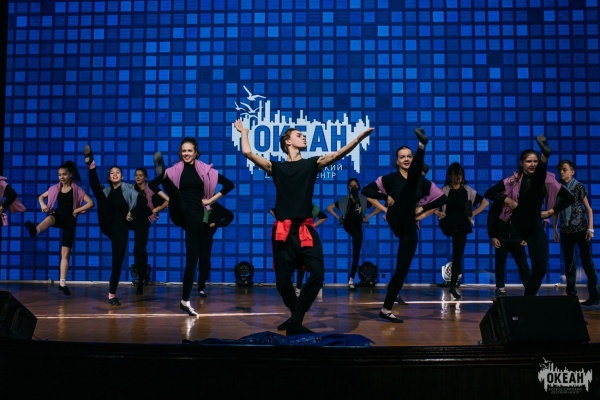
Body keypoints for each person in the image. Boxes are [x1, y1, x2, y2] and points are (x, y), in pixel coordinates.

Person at [235, 119, 374, 335]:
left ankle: (296, 319)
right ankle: (296, 319)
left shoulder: (311, 164)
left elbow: (336, 155)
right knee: (282, 283)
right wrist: (244, 132)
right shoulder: (277, 167)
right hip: (283, 232)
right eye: (299, 135)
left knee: (317, 274)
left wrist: (358, 139)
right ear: (288, 141)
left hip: (305, 229)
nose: (304, 137)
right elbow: (247, 152)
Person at [361, 128, 447, 323]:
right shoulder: (390, 178)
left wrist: (423, 208)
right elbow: (366, 190)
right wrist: (385, 197)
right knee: (410, 186)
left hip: (409, 224)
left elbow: (443, 198)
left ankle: (386, 309)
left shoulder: (422, 181)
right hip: (395, 217)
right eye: (403, 157)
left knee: (402, 269)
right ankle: (422, 145)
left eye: (409, 156)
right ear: (397, 161)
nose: (406, 159)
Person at [153, 138, 235, 316]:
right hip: (179, 210)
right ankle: (165, 178)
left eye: (189, 150)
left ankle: (185, 301)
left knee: (192, 259)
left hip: (196, 216)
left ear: (196, 152)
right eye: (183, 151)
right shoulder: (175, 170)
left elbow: (229, 185)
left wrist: (210, 200)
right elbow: (152, 185)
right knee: (175, 194)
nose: (186, 154)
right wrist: (168, 199)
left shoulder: (206, 171)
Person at [484, 136, 573, 296]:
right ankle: (545, 156)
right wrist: (508, 200)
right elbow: (489, 193)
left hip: (534, 223)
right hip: (517, 221)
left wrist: (551, 211)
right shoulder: (513, 180)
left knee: (541, 266)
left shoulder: (548, 180)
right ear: (521, 163)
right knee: (537, 183)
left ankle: (529, 295)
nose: (532, 164)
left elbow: (569, 198)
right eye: (529, 161)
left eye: (535, 161)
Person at [83, 146, 150, 305]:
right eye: (112, 173)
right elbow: (98, 191)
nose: (115, 174)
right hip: (107, 223)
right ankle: (91, 164)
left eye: (117, 172)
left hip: (121, 226)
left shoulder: (127, 188)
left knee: (117, 261)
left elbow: (142, 201)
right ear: (109, 176)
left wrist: (131, 212)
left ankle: (111, 295)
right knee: (99, 193)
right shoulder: (106, 191)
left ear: (122, 176)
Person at [24, 161, 93, 296]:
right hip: (58, 216)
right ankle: (36, 230)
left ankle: (62, 283)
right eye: (59, 175)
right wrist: (43, 204)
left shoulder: (77, 190)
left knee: (65, 254)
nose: (61, 177)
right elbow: (41, 197)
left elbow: (90, 203)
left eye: (64, 174)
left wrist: (77, 210)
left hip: (70, 222)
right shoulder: (56, 188)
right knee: (50, 217)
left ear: (70, 175)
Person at [434, 162, 489, 299]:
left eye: (460, 175)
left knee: (458, 255)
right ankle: (452, 283)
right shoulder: (444, 191)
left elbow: (485, 202)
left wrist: (472, 214)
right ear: (450, 176)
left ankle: (453, 285)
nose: (458, 177)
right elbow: (429, 203)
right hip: (448, 223)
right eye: (455, 175)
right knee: (454, 250)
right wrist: (437, 212)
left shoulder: (468, 191)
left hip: (462, 224)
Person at [553, 160, 599, 306]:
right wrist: (554, 229)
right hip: (566, 230)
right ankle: (571, 295)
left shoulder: (578, 186)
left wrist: (590, 229)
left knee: (587, 262)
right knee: (569, 264)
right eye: (560, 170)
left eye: (564, 169)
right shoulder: (558, 188)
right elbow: (556, 210)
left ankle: (595, 295)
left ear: (572, 172)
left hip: (581, 230)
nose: (561, 172)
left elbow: (588, 209)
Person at [326, 178, 380, 290]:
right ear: (348, 187)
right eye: (351, 185)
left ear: (358, 187)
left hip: (357, 228)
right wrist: (338, 217)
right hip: (348, 225)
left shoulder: (363, 199)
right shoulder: (345, 200)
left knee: (356, 254)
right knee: (355, 241)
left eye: (355, 185)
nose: (353, 187)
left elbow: (378, 207)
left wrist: (367, 217)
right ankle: (351, 279)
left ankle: (351, 279)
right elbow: (329, 208)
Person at [271, 204, 328, 293]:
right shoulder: (292, 204)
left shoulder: (313, 207)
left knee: (307, 265)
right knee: (291, 264)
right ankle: (296, 289)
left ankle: (303, 288)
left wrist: (312, 225)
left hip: (305, 235)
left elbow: (324, 217)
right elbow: (272, 210)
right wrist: (282, 220)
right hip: (292, 236)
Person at [486, 196, 531, 297]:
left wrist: (526, 236)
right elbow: (491, 221)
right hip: (501, 238)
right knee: (500, 264)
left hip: (518, 239)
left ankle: (530, 288)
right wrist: (493, 236)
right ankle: (500, 287)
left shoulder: (521, 200)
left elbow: (527, 219)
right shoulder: (498, 203)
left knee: (523, 264)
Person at [132, 167, 170, 289]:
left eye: (140, 175)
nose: (138, 177)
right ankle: (141, 273)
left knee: (140, 247)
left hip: (144, 220)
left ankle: (142, 276)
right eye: (136, 175)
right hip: (133, 219)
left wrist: (156, 210)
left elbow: (167, 201)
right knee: (137, 248)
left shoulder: (151, 187)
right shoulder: (132, 188)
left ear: (145, 177)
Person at [198, 201, 235, 296]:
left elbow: (230, 216)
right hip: (193, 235)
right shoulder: (194, 203)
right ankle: (189, 287)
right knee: (192, 260)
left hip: (206, 237)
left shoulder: (214, 205)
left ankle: (201, 286)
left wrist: (217, 224)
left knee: (204, 261)